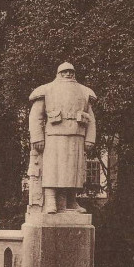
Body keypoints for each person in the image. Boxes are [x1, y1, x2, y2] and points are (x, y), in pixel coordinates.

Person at [28, 62, 96, 213]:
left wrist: (90, 138)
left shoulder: (84, 92)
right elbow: (36, 116)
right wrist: (37, 137)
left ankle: (71, 201)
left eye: (70, 71)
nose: (68, 74)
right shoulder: (46, 90)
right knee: (54, 168)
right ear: (58, 74)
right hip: (54, 136)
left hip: (77, 135)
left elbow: (91, 118)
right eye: (64, 72)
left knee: (74, 169)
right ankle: (50, 199)